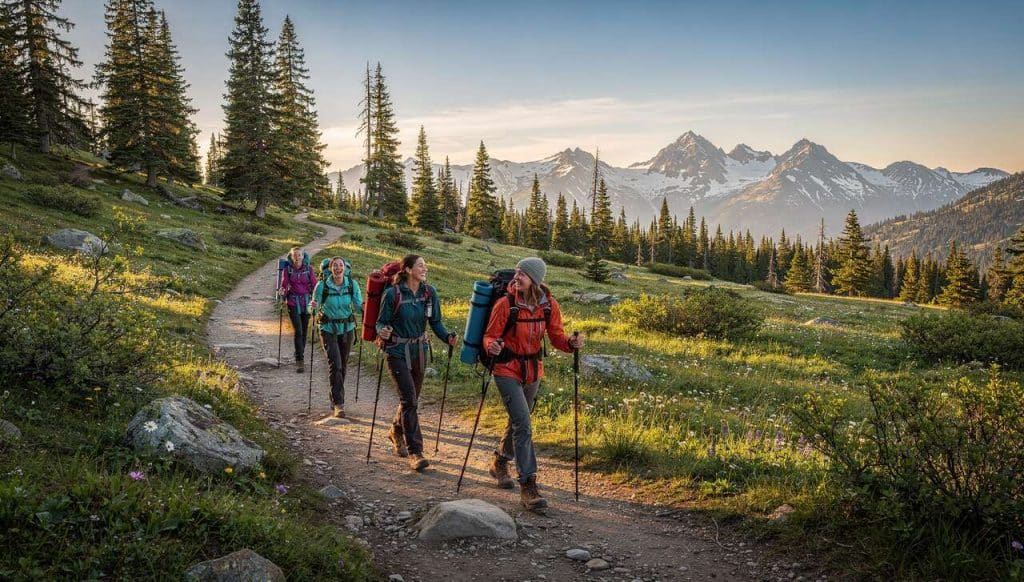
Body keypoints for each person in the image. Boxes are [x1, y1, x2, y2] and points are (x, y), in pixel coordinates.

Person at [483, 257, 584, 510]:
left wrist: (570, 344)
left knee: (518, 421)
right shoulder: (505, 304)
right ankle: (528, 485)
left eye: (522, 274)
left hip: (533, 371)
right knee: (524, 424)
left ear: (535, 279)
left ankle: (500, 461)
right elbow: (490, 335)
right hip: (506, 369)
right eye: (516, 272)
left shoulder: (549, 305)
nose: (516, 277)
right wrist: (491, 346)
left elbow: (557, 336)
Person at [377, 254, 459, 471]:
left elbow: (436, 322)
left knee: (411, 398)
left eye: (425, 266)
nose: (425, 269)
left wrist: (447, 337)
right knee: (410, 400)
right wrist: (382, 331)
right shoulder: (391, 294)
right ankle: (416, 452)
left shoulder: (429, 293)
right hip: (396, 351)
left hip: (419, 351)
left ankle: (396, 429)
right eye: (421, 266)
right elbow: (381, 322)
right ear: (408, 269)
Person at [310, 257, 363, 419]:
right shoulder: (322, 286)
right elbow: (313, 308)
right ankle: (339, 404)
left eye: (341, 265)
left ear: (345, 268)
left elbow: (359, 306)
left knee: (343, 366)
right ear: (331, 268)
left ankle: (334, 395)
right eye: (335, 266)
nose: (338, 268)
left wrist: (370, 307)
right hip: (328, 329)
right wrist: (311, 308)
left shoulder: (351, 285)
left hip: (347, 329)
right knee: (336, 364)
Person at [278, 247, 316, 372]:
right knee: (298, 330)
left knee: (304, 330)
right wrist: (282, 291)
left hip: (307, 303)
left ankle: (299, 353)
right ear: (291, 257)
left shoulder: (309, 269)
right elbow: (284, 284)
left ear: (303, 256)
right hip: (293, 302)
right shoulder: (287, 269)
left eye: (299, 255)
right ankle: (300, 360)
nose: (297, 257)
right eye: (295, 255)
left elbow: (314, 285)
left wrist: (316, 299)